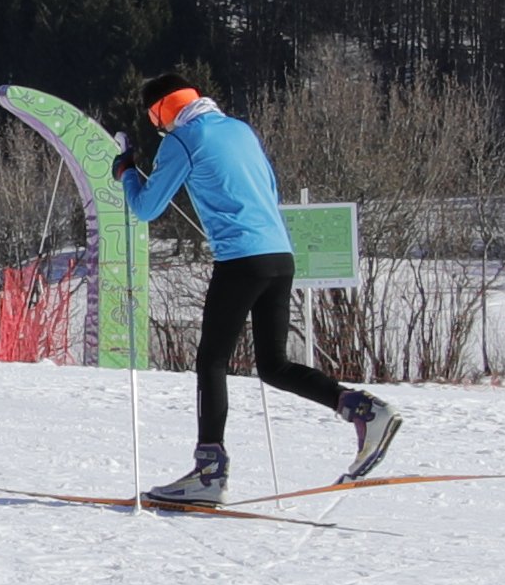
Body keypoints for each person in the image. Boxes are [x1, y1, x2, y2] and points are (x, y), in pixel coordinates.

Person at [115, 61, 402, 511]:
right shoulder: (239, 130)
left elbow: (147, 208)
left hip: (240, 259)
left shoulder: (183, 140)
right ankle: (363, 409)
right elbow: (268, 185)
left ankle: (208, 474)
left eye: (155, 119)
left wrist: (128, 172)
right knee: (274, 364)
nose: (157, 127)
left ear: (161, 111)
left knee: (212, 362)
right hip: (278, 256)